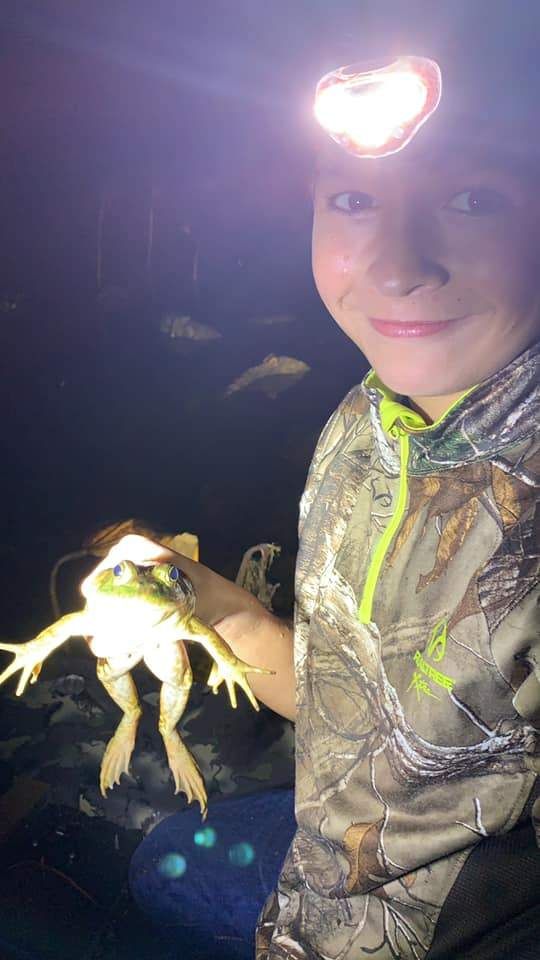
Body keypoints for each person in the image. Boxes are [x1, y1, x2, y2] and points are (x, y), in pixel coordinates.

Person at [85, 20, 540, 960]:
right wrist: (212, 609)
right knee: (160, 861)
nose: (399, 263)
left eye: (471, 197)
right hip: (319, 878)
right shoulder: (364, 417)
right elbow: (357, 700)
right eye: (353, 199)